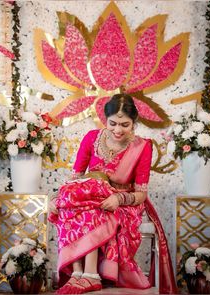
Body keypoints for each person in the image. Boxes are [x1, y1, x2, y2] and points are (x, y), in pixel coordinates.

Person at [48, 94, 177, 294]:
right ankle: (77, 273)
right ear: (105, 120)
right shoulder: (92, 138)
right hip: (91, 197)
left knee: (93, 208)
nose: (118, 130)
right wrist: (58, 198)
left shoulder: (142, 147)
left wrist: (118, 198)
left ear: (134, 123)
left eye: (125, 125)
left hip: (124, 203)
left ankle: (91, 275)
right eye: (113, 123)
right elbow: (76, 178)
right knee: (71, 205)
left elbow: (141, 194)